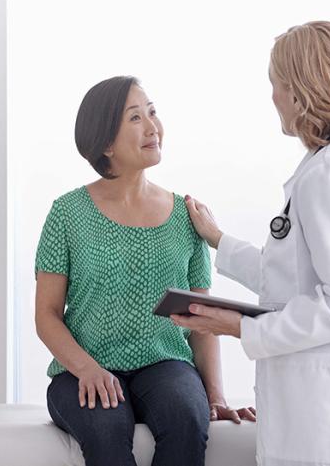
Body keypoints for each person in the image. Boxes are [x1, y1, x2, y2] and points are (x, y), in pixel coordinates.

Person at [34, 76, 255, 466]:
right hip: (82, 367)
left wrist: (216, 398)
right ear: (105, 142)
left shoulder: (186, 216)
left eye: (152, 112)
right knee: (106, 429)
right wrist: (87, 369)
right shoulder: (66, 214)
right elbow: (46, 315)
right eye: (136, 118)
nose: (153, 126)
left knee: (188, 418)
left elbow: (200, 320)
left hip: (165, 363)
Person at [173, 21, 330, 466]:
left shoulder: (327, 176)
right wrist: (218, 240)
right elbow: (292, 279)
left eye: (275, 85)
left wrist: (239, 327)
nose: (272, 97)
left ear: (298, 92)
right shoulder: (328, 166)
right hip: (312, 399)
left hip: (322, 407)